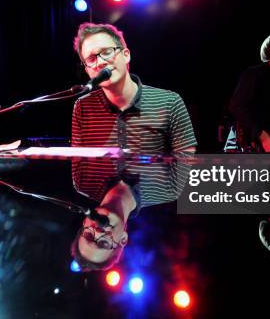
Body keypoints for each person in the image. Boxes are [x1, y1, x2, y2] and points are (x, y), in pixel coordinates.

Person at [70, 22, 196, 270]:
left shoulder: (169, 102)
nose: (98, 233)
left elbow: (188, 159)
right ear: (122, 239)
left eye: (106, 52)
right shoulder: (82, 107)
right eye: (91, 59)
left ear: (126, 54)